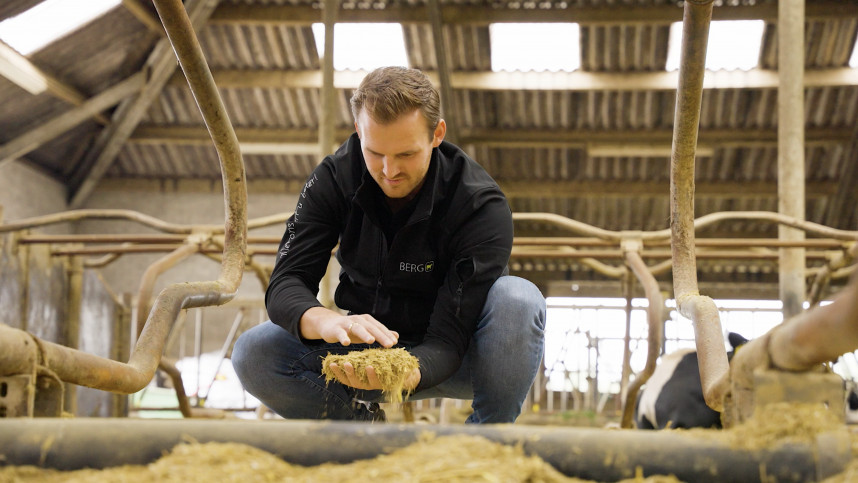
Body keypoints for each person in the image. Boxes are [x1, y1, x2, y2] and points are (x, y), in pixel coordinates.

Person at [232, 66, 546, 423]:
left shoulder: (479, 204)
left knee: (518, 299)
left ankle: (486, 442)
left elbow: (448, 339)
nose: (389, 170)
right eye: (375, 152)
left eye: (406, 154)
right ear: (358, 131)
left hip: (463, 358)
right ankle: (363, 436)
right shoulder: (333, 178)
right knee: (254, 352)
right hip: (366, 358)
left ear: (437, 134)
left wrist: (412, 369)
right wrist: (322, 321)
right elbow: (286, 281)